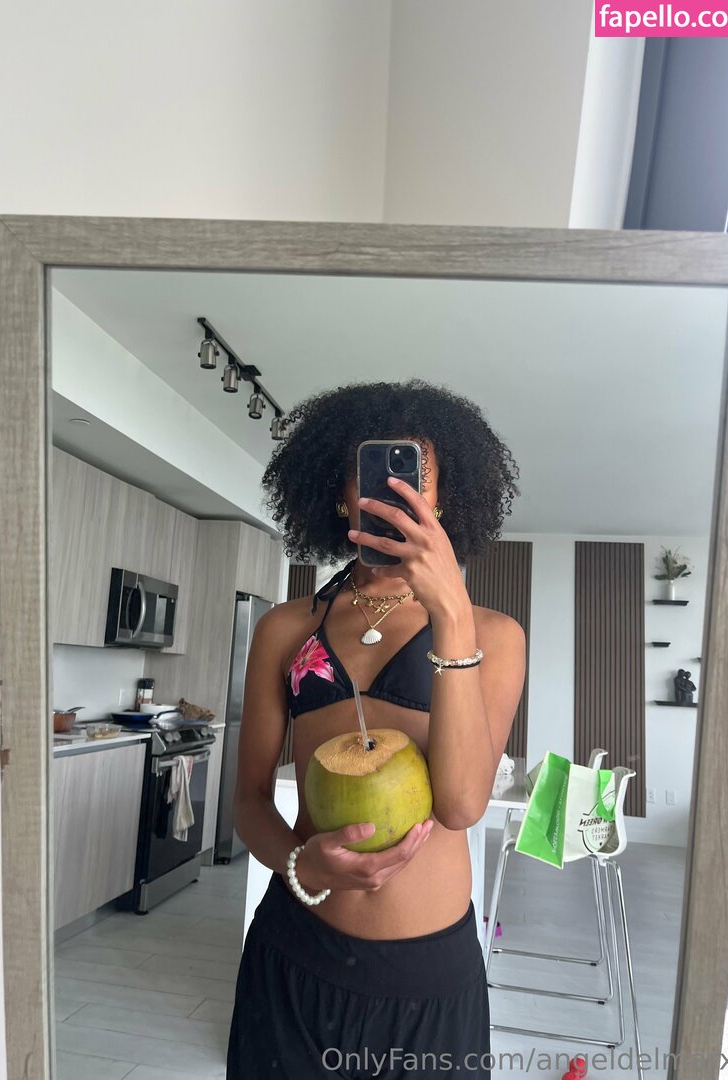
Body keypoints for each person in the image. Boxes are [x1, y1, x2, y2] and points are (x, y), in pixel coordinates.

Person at [226, 379, 527, 1079]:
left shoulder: (492, 635)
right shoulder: (284, 628)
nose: (392, 495)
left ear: (443, 499)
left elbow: (461, 805)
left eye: (414, 479)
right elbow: (248, 801)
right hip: (294, 948)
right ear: (340, 496)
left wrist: (450, 615)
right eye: (370, 476)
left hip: (428, 980)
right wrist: (302, 864)